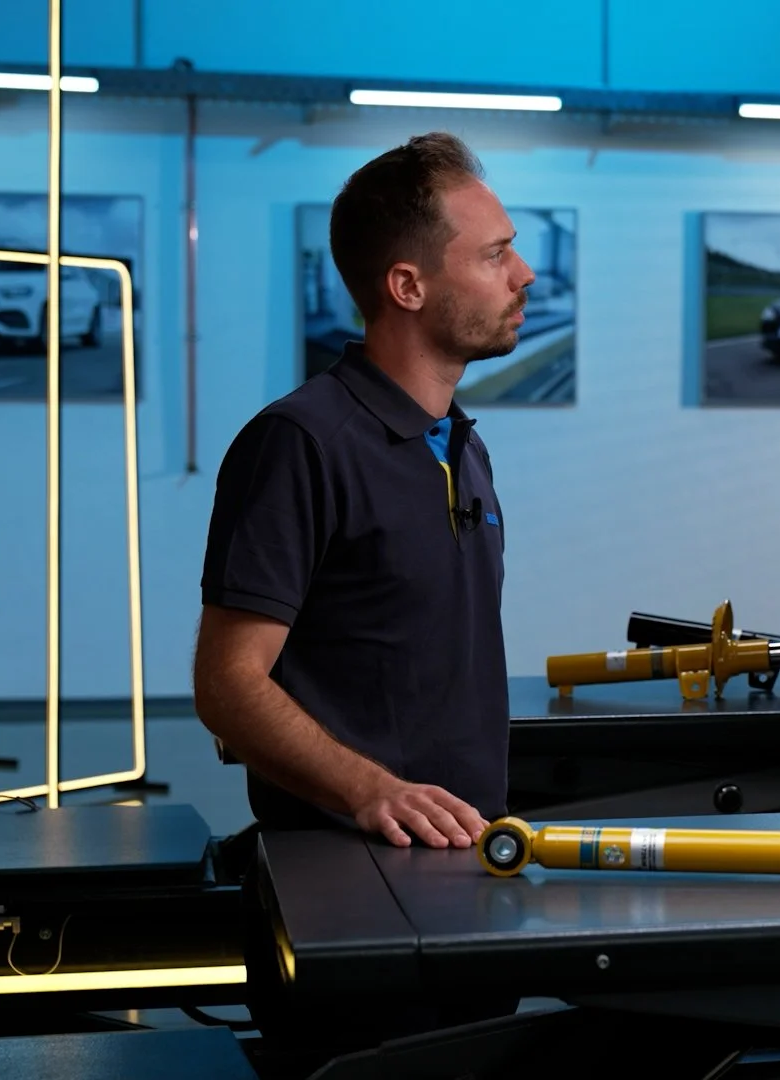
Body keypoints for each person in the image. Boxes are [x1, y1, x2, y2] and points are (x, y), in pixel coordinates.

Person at [194, 131, 533, 849]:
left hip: (464, 850)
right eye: (495, 254)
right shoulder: (300, 443)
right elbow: (228, 683)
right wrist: (368, 790)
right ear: (407, 286)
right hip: (346, 870)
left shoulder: (463, 447)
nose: (523, 274)